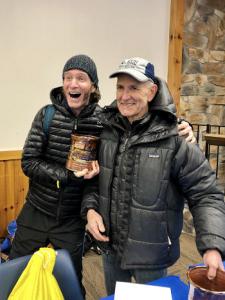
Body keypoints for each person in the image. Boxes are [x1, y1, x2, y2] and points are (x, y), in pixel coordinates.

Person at [9, 54, 193, 293]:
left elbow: (141, 123)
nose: (73, 83)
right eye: (68, 77)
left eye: (81, 78)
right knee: (14, 274)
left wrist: (181, 124)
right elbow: (29, 162)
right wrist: (66, 175)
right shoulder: (46, 115)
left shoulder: (104, 121)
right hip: (36, 211)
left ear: (93, 86)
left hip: (73, 218)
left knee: (71, 285)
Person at [83, 57, 225, 295]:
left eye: (134, 88)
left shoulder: (176, 138)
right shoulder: (106, 131)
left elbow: (206, 194)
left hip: (153, 255)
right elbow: (94, 181)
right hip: (110, 249)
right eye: (120, 87)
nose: (125, 95)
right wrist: (90, 210)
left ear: (151, 92)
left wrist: (212, 246)